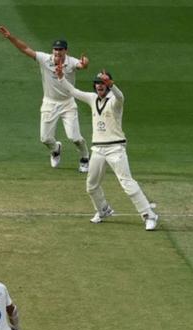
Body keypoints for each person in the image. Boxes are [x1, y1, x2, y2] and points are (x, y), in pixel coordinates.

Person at [55, 67, 159, 230]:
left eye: (103, 83)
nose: (99, 86)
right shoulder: (92, 98)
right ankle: (103, 210)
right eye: (97, 83)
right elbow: (74, 91)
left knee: (127, 183)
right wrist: (61, 78)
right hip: (98, 149)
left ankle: (149, 215)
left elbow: (120, 96)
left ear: (108, 85)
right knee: (91, 185)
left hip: (116, 148)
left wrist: (112, 85)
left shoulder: (115, 101)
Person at [0, 25, 90, 172]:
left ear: (66, 50)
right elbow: (25, 49)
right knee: (45, 139)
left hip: (67, 103)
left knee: (75, 137)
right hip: (49, 103)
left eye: (60, 50)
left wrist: (85, 63)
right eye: (55, 49)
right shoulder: (44, 59)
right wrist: (11, 37)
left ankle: (85, 157)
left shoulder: (71, 62)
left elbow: (81, 65)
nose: (57, 52)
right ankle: (55, 149)